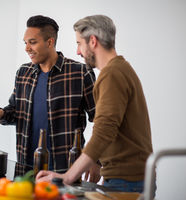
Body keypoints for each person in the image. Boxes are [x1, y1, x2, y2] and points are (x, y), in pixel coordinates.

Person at [36, 15, 153, 193]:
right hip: (129, 178)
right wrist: (94, 160)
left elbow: (104, 130)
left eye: (78, 43)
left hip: (126, 181)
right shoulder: (120, 69)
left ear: (92, 41)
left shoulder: (112, 74)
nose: (77, 52)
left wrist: (68, 176)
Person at [0, 15, 100, 180]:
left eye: (32, 42)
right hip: (26, 170)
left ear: (50, 42)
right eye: (25, 43)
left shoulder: (80, 72)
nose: (27, 48)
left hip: (65, 172)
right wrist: (0, 114)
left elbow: (101, 118)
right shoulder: (23, 73)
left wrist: (95, 160)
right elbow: (15, 112)